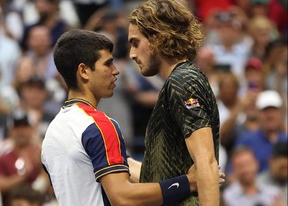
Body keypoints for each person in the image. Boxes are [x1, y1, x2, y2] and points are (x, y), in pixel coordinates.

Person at [41, 29, 224, 206]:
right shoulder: (99, 125)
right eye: (107, 64)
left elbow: (126, 166)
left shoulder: (53, 131)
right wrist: (188, 182)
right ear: (84, 71)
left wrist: (186, 175)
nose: (116, 71)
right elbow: (123, 197)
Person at [128, 0, 220, 205]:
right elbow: (162, 177)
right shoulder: (177, 82)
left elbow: (206, 162)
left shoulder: (183, 80)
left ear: (158, 38)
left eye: (136, 42)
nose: (132, 54)